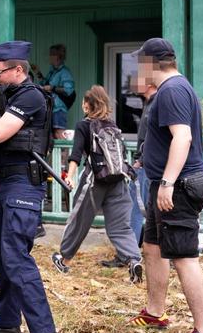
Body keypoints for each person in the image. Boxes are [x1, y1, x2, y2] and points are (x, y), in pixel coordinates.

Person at [0, 41, 64, 333]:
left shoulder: (30, 96)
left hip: (25, 183)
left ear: (19, 70)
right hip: (7, 182)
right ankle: (8, 325)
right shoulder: (6, 97)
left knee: (15, 256)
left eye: (0, 72)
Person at [129, 38, 203, 333]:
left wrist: (167, 183)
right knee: (152, 248)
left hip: (178, 186)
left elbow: (183, 137)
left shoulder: (172, 90)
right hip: (162, 184)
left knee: (184, 257)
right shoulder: (170, 90)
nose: (138, 69)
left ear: (152, 63)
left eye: (140, 63)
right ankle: (155, 311)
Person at [49, 85, 143, 283]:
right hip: (118, 180)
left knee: (79, 221)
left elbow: (76, 154)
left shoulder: (84, 125)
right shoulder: (112, 125)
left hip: (95, 182)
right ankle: (134, 260)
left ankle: (63, 259)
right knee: (121, 226)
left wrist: (70, 175)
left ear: (87, 105)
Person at [102, 81, 157, 267]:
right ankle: (130, 255)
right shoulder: (148, 103)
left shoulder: (157, 103)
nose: (134, 84)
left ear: (149, 84)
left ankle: (131, 256)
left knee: (139, 209)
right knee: (135, 208)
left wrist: (141, 159)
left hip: (150, 166)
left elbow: (155, 138)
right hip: (144, 163)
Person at [39, 44, 75, 140]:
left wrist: (52, 88)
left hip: (58, 109)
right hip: (50, 107)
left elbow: (69, 90)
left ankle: (64, 155)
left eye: (51, 54)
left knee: (59, 134)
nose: (49, 56)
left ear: (58, 57)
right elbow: (45, 83)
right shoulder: (52, 71)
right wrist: (38, 73)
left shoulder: (64, 72)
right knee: (50, 136)